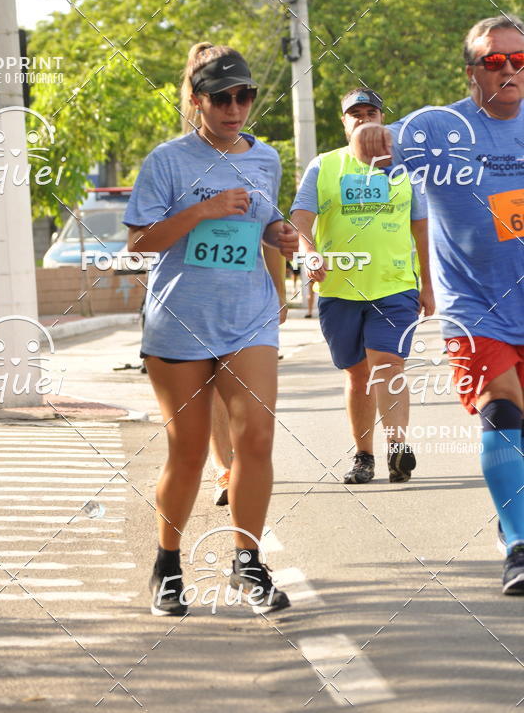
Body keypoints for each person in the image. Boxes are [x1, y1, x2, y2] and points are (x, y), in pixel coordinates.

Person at [351, 15, 524, 594]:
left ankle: (510, 522)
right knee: (503, 407)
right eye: (495, 61)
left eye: (519, 60)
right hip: (476, 306)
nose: (509, 70)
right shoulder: (439, 129)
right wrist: (367, 138)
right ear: (472, 69)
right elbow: (375, 150)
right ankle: (521, 548)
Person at [125, 42, 298, 615]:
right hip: (181, 321)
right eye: (221, 98)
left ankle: (247, 565)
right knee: (190, 451)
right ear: (196, 100)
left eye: (244, 96)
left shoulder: (265, 157)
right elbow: (139, 243)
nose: (234, 107)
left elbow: (266, 220)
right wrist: (201, 209)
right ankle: (167, 564)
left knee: (257, 438)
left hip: (247, 315)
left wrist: (281, 238)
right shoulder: (168, 161)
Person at [291, 88, 434, 484]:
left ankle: (397, 448)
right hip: (339, 289)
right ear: (344, 121)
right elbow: (301, 217)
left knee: (388, 365)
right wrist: (308, 251)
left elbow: (420, 226)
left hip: (394, 287)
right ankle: (364, 456)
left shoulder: (406, 168)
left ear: (382, 118)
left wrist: (428, 284)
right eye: (355, 113)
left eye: (371, 111)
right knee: (356, 375)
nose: (363, 118)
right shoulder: (325, 166)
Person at [210, 244, 287, 507]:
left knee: (243, 385)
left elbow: (272, 238)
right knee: (212, 384)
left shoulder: (260, 199)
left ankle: (238, 457)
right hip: (196, 299)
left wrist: (280, 292)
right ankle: (223, 471)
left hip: (250, 300)